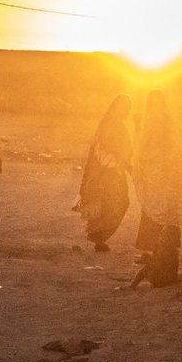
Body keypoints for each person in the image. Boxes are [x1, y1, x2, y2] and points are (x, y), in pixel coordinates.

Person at [130, 90, 182, 287]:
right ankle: (154, 255)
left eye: (156, 104)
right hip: (153, 180)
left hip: (166, 180)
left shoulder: (169, 126)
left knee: (163, 218)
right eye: (150, 104)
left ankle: (162, 258)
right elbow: (142, 149)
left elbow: (175, 150)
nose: (153, 108)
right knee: (152, 215)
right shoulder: (150, 124)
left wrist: (156, 163)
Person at [76, 94, 135, 248]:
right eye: (126, 108)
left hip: (107, 171)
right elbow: (110, 149)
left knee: (108, 204)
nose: (128, 112)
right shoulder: (112, 125)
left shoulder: (109, 123)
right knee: (116, 203)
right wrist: (128, 167)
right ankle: (99, 238)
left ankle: (98, 238)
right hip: (110, 172)